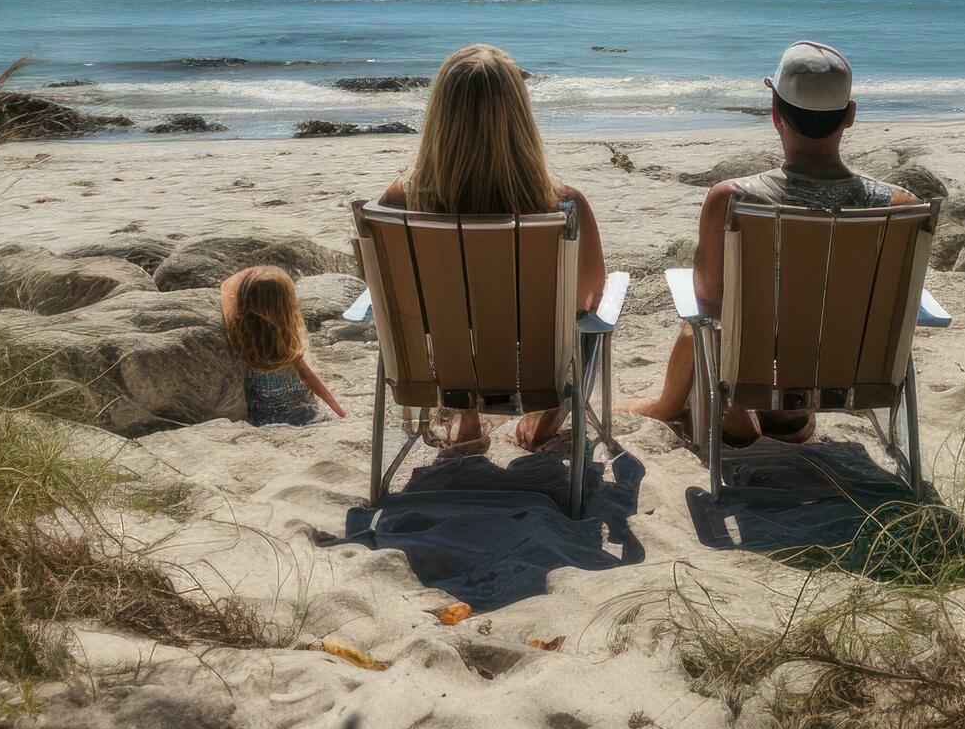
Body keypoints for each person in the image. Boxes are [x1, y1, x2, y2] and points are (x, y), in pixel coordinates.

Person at [629, 40, 924, 445]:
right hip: (849, 370)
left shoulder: (731, 199)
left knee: (696, 321)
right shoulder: (900, 205)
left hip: (754, 374)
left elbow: (709, 301)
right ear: (850, 115)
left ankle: (691, 408)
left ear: (774, 114)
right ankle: (790, 420)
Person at [377, 42, 609, 448]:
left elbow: (391, 295)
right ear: (520, 117)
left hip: (445, 370)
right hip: (535, 373)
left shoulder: (399, 204)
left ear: (438, 115)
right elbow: (588, 297)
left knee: (448, 315)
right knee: (586, 321)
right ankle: (547, 413)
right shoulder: (563, 207)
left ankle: (463, 418)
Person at [220, 263, 347, 425]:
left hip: (265, 420)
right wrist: (339, 411)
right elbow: (310, 379)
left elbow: (225, 287)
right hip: (303, 414)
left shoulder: (242, 342)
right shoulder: (286, 348)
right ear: (287, 308)